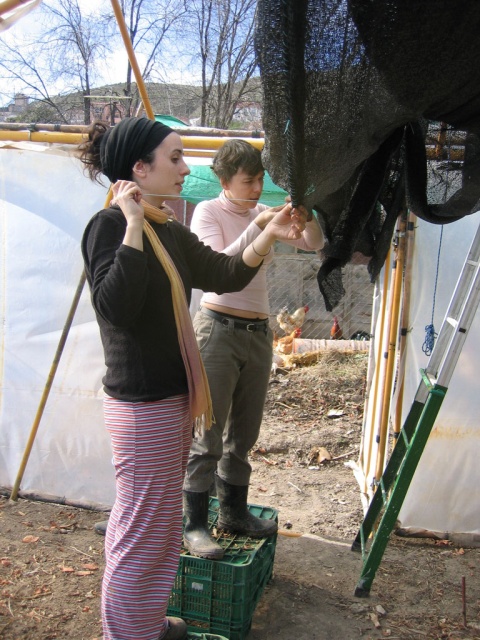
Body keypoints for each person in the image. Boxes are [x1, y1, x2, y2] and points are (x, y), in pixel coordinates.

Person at [78, 117, 307, 640]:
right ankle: (131, 633)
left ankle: (144, 623)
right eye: (175, 157)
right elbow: (116, 307)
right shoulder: (111, 227)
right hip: (144, 404)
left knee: (151, 527)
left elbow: (224, 274)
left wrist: (267, 231)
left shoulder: (167, 228)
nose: (186, 167)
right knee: (146, 530)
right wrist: (132, 224)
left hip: (170, 397)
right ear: (140, 167)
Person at [184, 139, 325, 559]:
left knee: (243, 433)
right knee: (207, 433)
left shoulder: (263, 211)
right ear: (225, 181)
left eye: (262, 178)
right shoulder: (208, 212)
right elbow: (217, 267)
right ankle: (193, 524)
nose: (258, 186)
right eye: (249, 180)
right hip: (217, 328)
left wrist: (308, 215)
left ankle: (234, 512)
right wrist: (261, 225)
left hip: (258, 332)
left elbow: (314, 243)